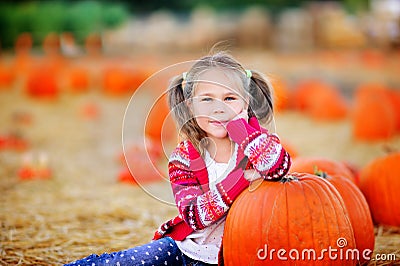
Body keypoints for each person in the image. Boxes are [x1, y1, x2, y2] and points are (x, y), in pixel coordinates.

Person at [64, 52, 291, 266]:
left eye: (229, 98)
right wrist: (242, 178)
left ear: (246, 103)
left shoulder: (258, 144)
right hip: (185, 252)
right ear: (190, 105)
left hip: (240, 257)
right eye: (207, 100)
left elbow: (278, 166)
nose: (218, 109)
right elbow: (195, 215)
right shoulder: (184, 157)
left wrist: (244, 132)